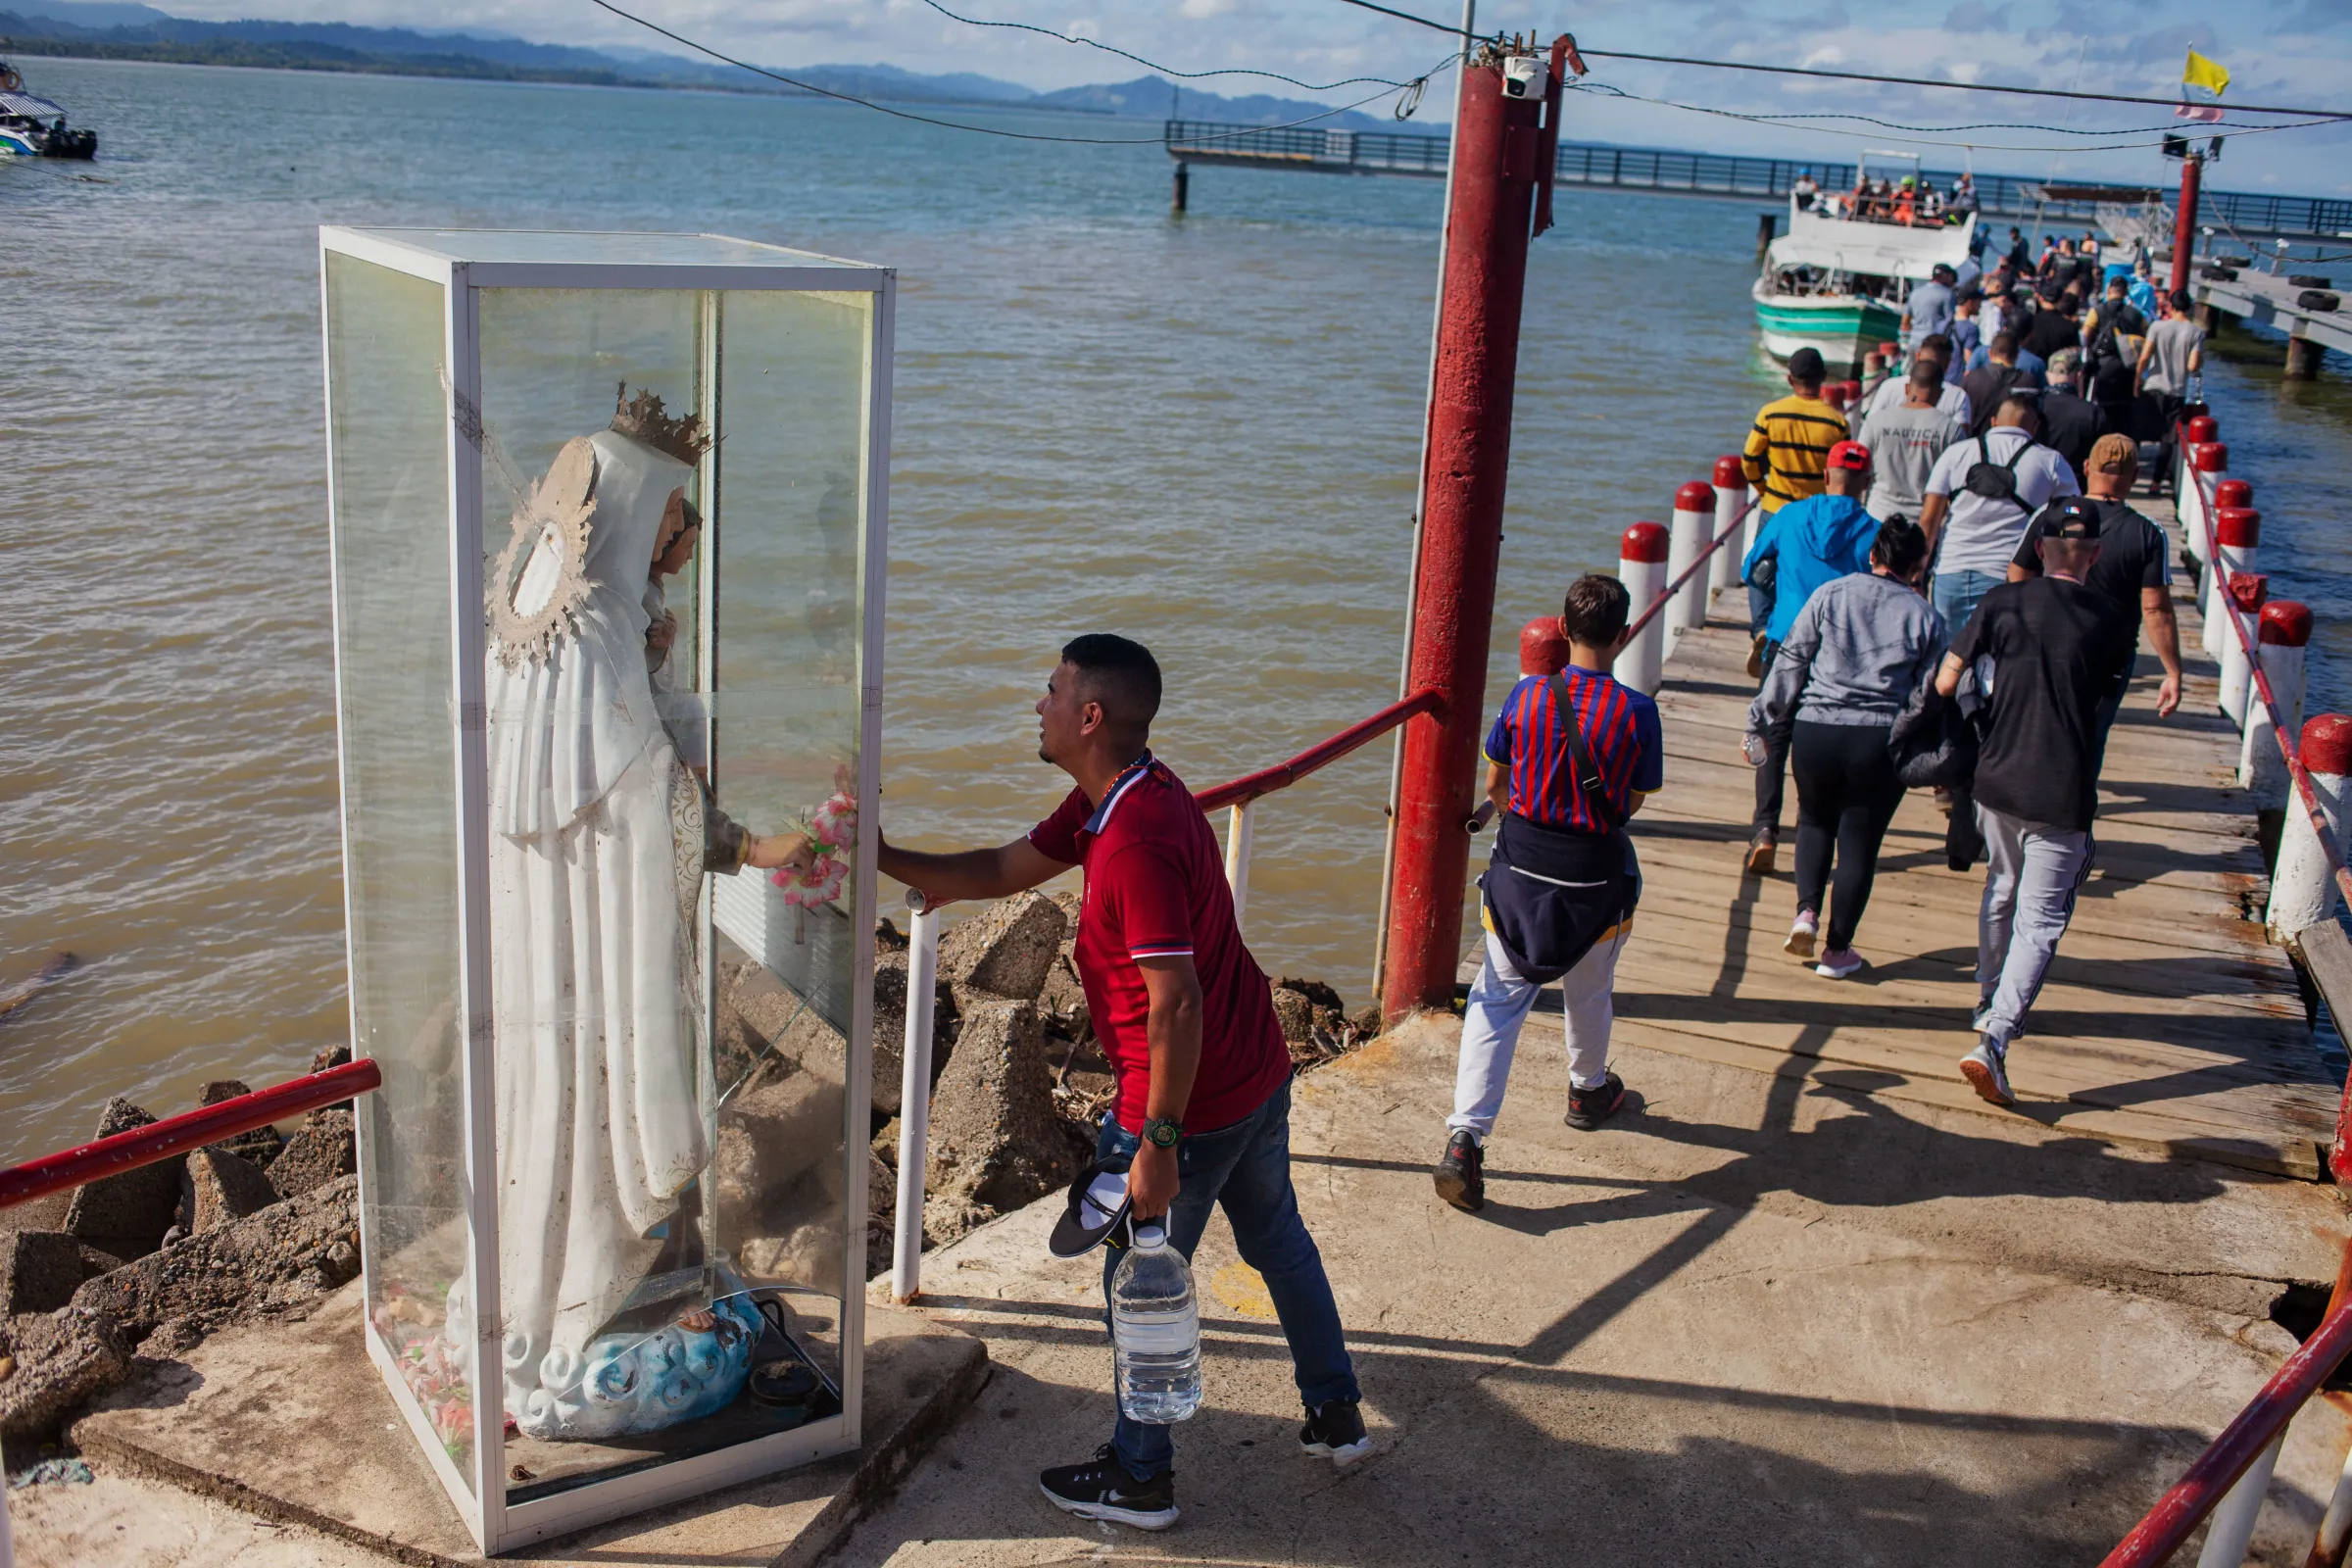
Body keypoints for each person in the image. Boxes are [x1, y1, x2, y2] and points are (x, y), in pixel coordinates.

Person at [878, 634, 1366, 1529]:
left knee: (1132, 1283)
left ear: (1090, 716)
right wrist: (883, 855)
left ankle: (1142, 1477)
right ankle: (1336, 1414)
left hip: (1190, 1103)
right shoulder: (1120, 794)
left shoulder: (1133, 837)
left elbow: (1174, 1004)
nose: (1040, 702)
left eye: (1053, 689)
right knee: (1279, 1241)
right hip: (1256, 1071)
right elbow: (996, 870)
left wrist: (1158, 1146)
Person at [1434, 576, 1659, 1212]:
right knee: (1590, 991)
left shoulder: (1526, 696)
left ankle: (1464, 1138)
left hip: (1519, 880)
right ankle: (1587, 1090)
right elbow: (1630, 804)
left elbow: (1498, 786)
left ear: (1561, 630)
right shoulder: (1639, 713)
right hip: (1594, 882)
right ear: (1623, 635)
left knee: (1495, 1002)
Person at [1937, 505, 2135, 1107]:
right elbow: (2102, 701)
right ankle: (1995, 1038)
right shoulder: (2113, 621)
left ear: (2038, 550)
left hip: (1996, 778)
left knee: (2001, 885)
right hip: (2062, 787)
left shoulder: (2001, 602)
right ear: (2095, 555)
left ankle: (1985, 995)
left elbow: (1946, 682)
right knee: (2041, 922)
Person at [1746, 518, 1943, 979]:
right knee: (1859, 844)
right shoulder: (1924, 615)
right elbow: (1933, 689)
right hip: (1878, 740)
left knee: (1813, 821)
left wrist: (1759, 719)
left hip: (1816, 731)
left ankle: (1805, 914)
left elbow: (1790, 662)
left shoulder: (1830, 595)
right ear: (1917, 566)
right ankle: (1837, 952)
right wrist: (1907, 726)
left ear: (1872, 555)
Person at [1740, 440, 1880, 875]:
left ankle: (1764, 829)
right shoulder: (1874, 531)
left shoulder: (1790, 515)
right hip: (1840, 648)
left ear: (1826, 476)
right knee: (1817, 734)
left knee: (1772, 733)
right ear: (1867, 483)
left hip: (1784, 639)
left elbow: (1750, 569)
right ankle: (1809, 820)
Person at [2009, 437, 2184, 748]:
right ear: (2135, 476)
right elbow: (2155, 609)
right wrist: (2172, 672)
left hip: (2047, 640)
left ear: (2087, 467)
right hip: (2108, 653)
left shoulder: (2049, 515)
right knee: (2088, 737)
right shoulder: (2147, 532)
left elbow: (2019, 573)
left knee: (2037, 727)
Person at [1919, 389, 2080, 639]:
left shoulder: (1956, 453)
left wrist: (1917, 573)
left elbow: (1929, 519)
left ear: (1994, 421)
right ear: (2034, 426)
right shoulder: (2051, 462)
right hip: (2005, 577)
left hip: (1950, 571)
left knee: (1946, 657)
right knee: (1997, 659)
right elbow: (2073, 522)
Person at [1741, 346, 1849, 521]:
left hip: (1776, 510)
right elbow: (1843, 474)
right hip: (1815, 515)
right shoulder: (1838, 423)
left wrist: (1764, 491)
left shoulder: (1769, 414)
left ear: (1790, 379)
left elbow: (1748, 461)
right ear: (1823, 377)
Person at [1861, 360, 1964, 525]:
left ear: (1907, 388)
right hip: (1923, 525)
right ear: (1940, 393)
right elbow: (1958, 482)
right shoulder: (1950, 429)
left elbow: (1860, 471)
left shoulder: (1875, 422)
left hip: (1878, 517)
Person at [2137, 288, 2207, 479]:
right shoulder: (2196, 333)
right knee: (2167, 438)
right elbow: (2193, 366)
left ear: (2170, 306)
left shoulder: (2157, 327)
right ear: (2190, 307)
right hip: (2176, 390)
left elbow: (2144, 357)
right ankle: (2157, 481)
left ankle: (2133, 470)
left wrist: (2137, 380)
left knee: (2141, 431)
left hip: (2153, 385)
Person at [1862, 331, 1971, 428]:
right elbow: (1960, 439)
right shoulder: (1958, 396)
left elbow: (1870, 425)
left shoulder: (1889, 387)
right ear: (1947, 363)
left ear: (1918, 356)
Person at [2037, 348, 2107, 485]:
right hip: (2075, 488)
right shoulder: (2092, 412)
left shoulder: (2033, 407)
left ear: (2047, 375)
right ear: (2079, 376)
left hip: (2039, 485)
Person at [1959, 334, 2033, 437]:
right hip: (2012, 445)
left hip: (1976, 443)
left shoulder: (1972, 379)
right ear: (2017, 355)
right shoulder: (2028, 383)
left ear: (1990, 353)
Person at [1901, 263, 1957, 351]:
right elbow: (1950, 322)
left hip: (1914, 343)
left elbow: (1905, 322)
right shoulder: (1948, 294)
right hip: (1934, 346)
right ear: (1946, 275)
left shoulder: (1915, 293)